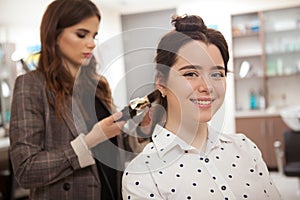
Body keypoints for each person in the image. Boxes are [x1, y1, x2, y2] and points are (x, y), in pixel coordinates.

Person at [122, 14, 282, 200]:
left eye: (216, 74)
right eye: (190, 73)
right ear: (161, 82)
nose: (207, 86)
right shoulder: (142, 174)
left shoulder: (245, 148)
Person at [9, 0, 126, 199]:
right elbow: (26, 170)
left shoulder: (98, 84)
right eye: (81, 34)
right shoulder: (31, 85)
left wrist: (137, 127)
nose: (91, 43)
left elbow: (114, 148)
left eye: (94, 35)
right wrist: (88, 142)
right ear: (54, 35)